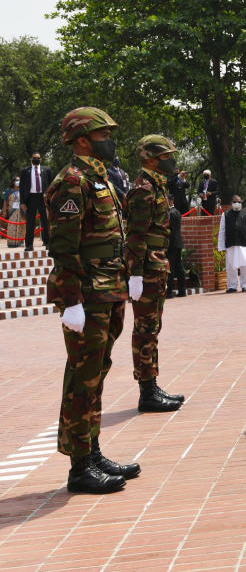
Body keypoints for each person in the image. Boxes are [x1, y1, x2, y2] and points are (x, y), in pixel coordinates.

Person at [47, 106, 140, 494]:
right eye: (103, 134)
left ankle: (92, 450)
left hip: (108, 290)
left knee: (97, 373)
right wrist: (71, 302)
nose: (110, 140)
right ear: (82, 140)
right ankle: (79, 466)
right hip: (86, 295)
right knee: (82, 379)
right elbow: (64, 250)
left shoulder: (98, 177)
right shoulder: (71, 182)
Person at [124, 134, 184, 413]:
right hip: (146, 268)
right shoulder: (143, 189)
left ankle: (152, 385)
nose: (171, 161)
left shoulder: (157, 186)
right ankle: (147, 392)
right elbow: (136, 235)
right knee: (145, 329)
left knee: (153, 328)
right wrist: (134, 274)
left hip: (157, 264)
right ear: (151, 159)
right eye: (165, 156)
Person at [217, 195, 246, 293]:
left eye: (238, 202)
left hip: (243, 243)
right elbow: (222, 231)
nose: (236, 204)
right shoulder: (225, 214)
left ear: (241, 203)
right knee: (231, 266)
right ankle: (232, 286)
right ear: (231, 202)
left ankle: (245, 285)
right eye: (234, 202)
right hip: (230, 244)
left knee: (245, 266)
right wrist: (221, 246)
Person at [18, 152, 53, 251]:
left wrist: (50, 198)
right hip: (30, 198)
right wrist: (22, 202)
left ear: (41, 159)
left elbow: (52, 185)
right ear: (31, 159)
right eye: (34, 158)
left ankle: (47, 243)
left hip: (43, 198)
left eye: (38, 158)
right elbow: (21, 187)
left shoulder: (47, 170)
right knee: (30, 222)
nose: (36, 159)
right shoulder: (25, 171)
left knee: (45, 221)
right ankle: (29, 245)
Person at [166, 205, 187, 298]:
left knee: (170, 268)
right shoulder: (177, 211)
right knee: (179, 267)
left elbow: (169, 228)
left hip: (172, 244)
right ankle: (182, 290)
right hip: (177, 243)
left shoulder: (171, 213)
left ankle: (169, 292)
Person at [2, 177, 24, 248]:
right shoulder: (8, 190)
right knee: (12, 226)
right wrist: (4, 211)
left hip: (21, 211)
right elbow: (5, 201)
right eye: (17, 180)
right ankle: (11, 243)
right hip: (12, 211)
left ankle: (20, 242)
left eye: (20, 180)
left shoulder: (22, 190)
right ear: (13, 181)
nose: (18, 181)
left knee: (21, 226)